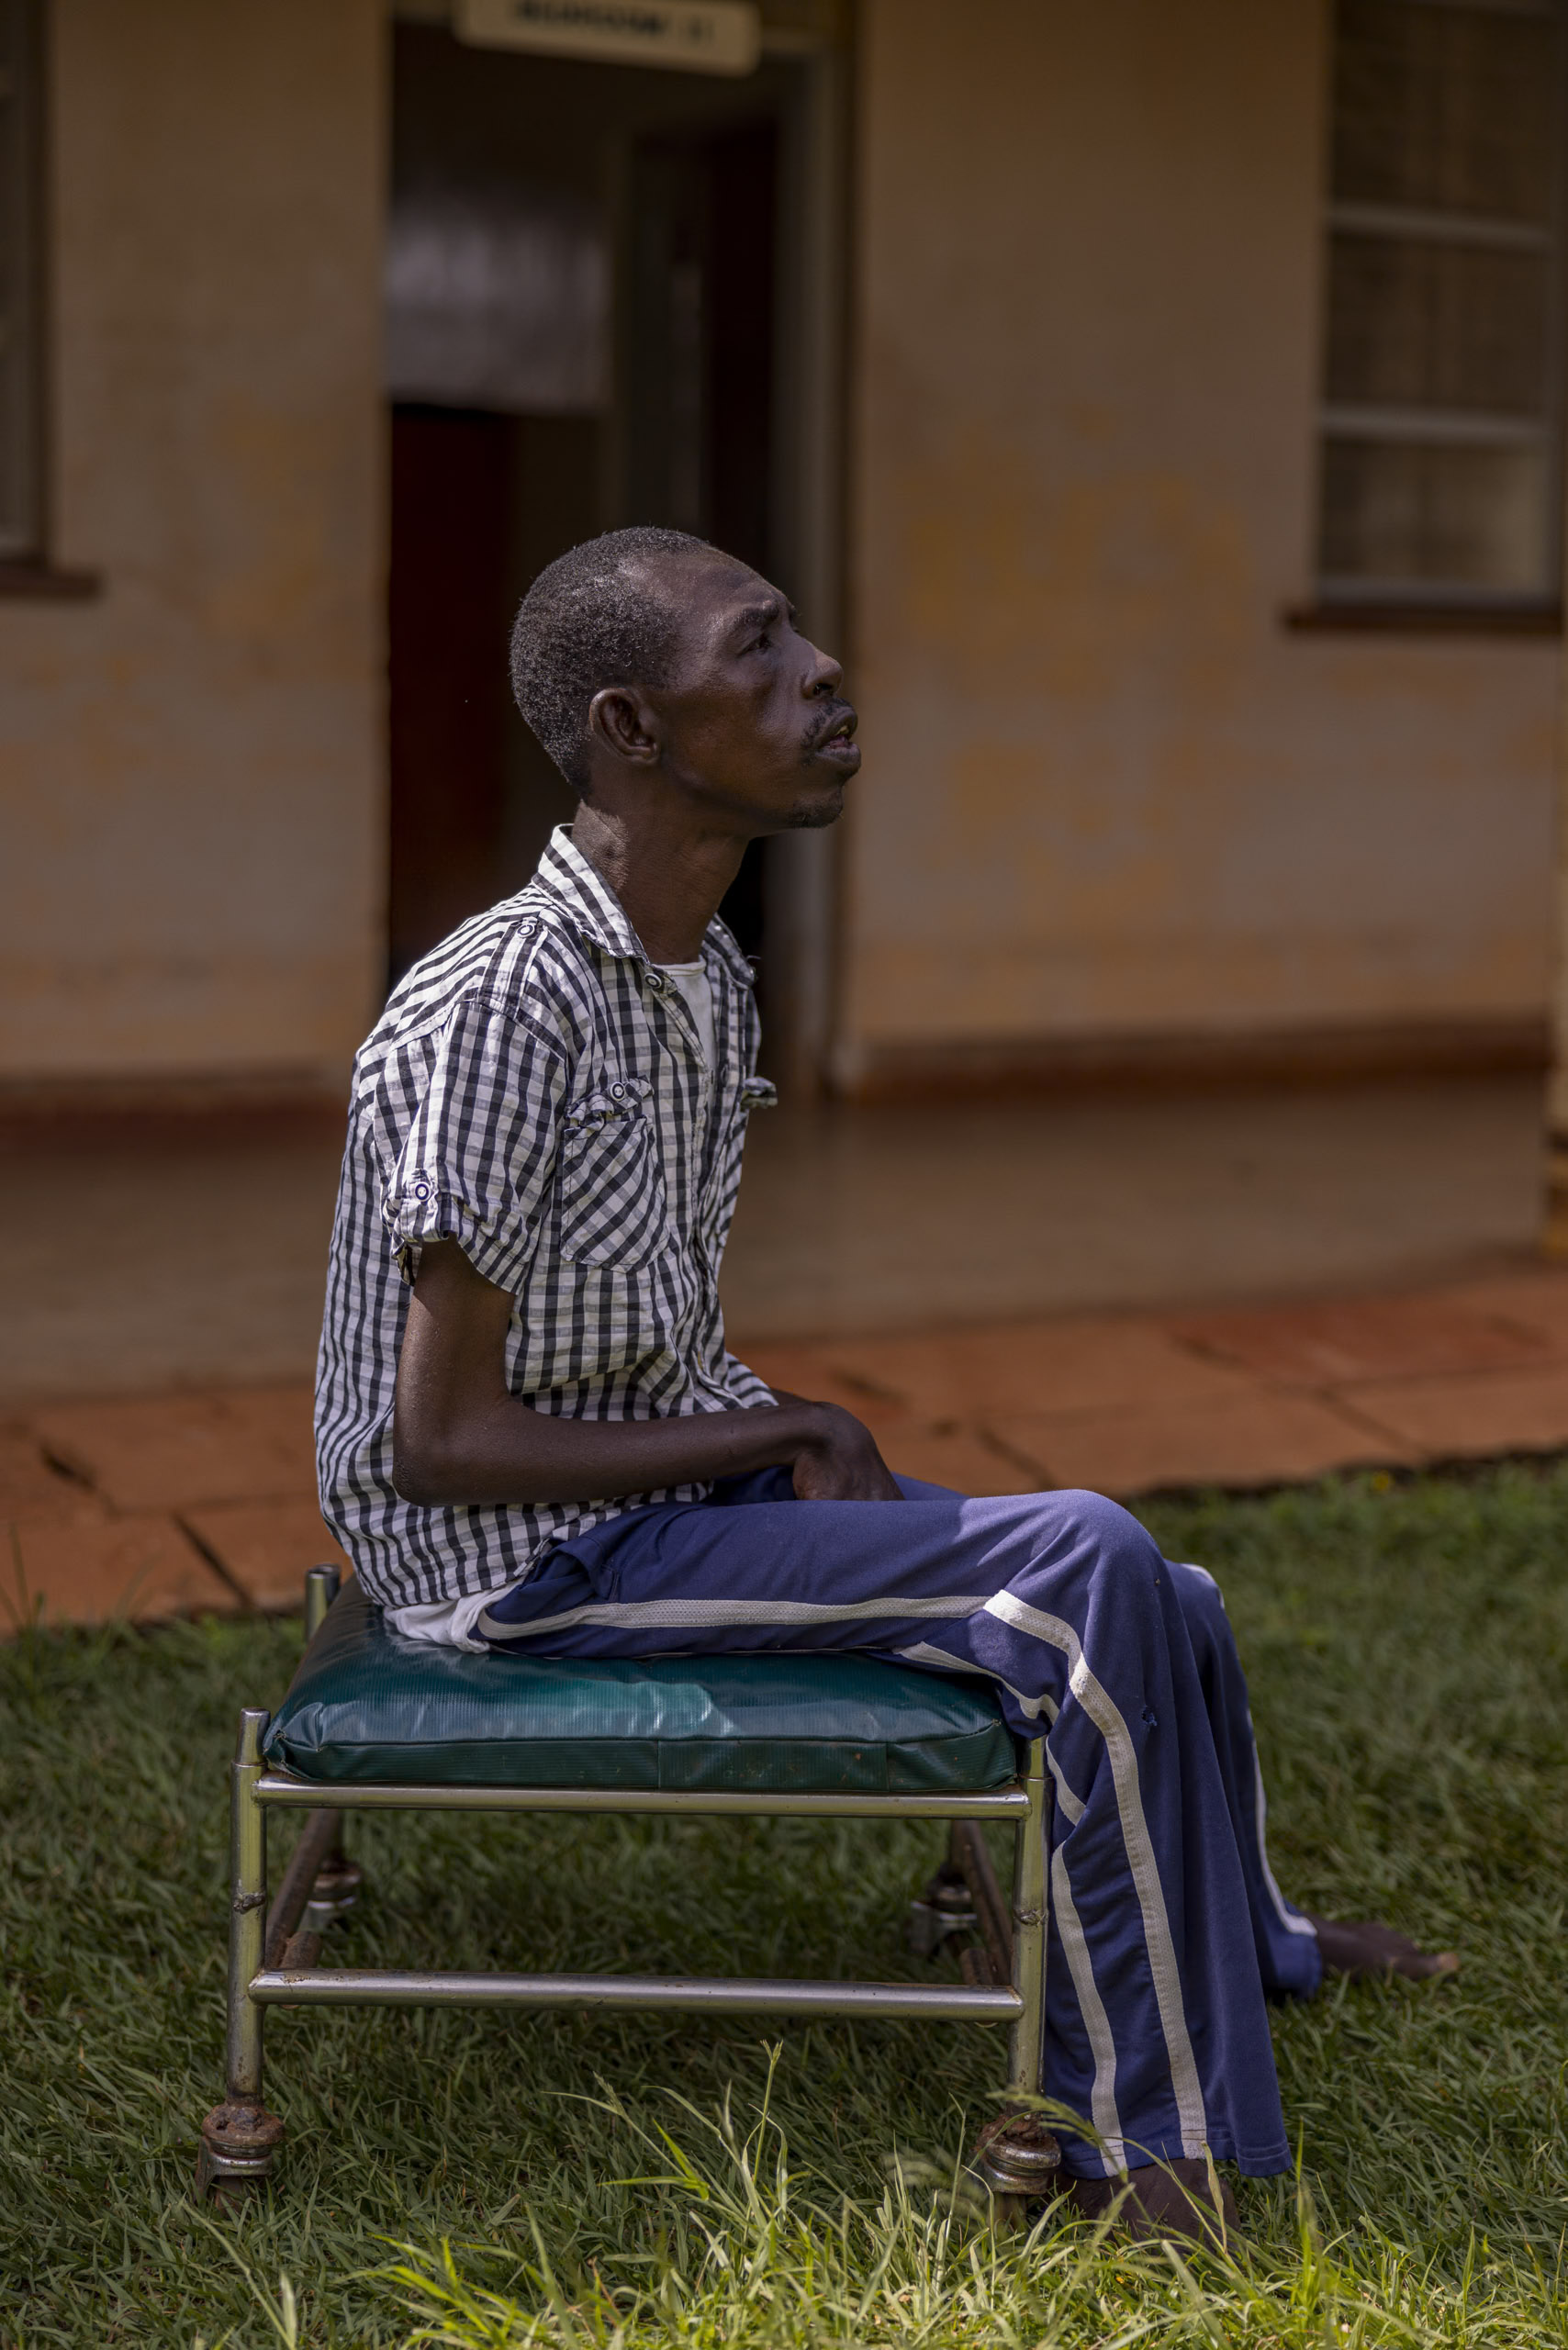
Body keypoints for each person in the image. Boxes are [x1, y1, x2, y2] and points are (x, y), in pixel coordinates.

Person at [317, 526, 1454, 2242]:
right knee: (1082, 1562)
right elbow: (439, 1439)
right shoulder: (503, 1007)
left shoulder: (699, 974)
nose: (824, 673)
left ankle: (1259, 1951)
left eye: (805, 641)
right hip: (522, 1558)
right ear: (631, 724)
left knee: (1172, 1595)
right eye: (759, 652)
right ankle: (1156, 2154)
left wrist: (754, 1447)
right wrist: (790, 1427)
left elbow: (629, 1338)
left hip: (643, 1494)